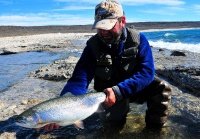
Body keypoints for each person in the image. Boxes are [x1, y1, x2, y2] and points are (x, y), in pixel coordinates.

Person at [41, 0, 172, 131]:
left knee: (161, 87)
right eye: (100, 27)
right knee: (111, 131)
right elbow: (79, 79)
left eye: (108, 26)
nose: (104, 32)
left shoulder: (138, 40)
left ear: (122, 21)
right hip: (107, 96)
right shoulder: (92, 47)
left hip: (134, 89)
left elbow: (147, 73)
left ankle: (154, 132)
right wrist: (60, 108)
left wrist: (119, 91)